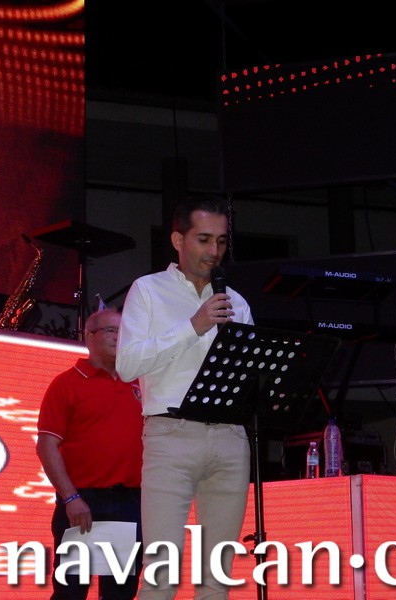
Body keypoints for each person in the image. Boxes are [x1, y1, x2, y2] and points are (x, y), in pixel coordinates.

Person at [116, 195, 254, 599]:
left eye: (222, 241)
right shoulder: (148, 291)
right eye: (204, 239)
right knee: (161, 575)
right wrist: (193, 326)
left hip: (230, 437)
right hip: (171, 434)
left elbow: (250, 377)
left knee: (217, 578)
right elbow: (126, 365)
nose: (215, 251)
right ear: (178, 240)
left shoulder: (237, 302)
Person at [36, 307, 143, 599]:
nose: (118, 337)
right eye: (110, 330)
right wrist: (71, 498)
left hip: (129, 502)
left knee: (120, 593)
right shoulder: (66, 383)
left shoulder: (139, 382)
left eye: (123, 331)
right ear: (89, 337)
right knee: (71, 592)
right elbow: (46, 446)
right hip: (83, 502)